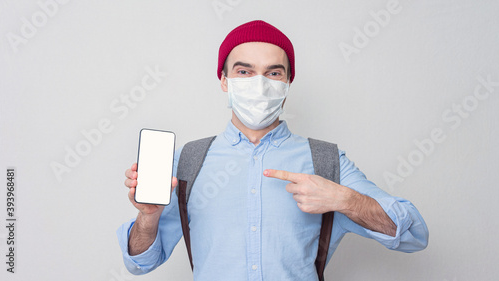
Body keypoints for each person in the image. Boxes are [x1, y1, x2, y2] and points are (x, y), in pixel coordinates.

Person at [117, 20, 429, 280]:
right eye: (244, 71)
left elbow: (414, 235)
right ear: (224, 80)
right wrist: (148, 218)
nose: (260, 83)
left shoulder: (326, 162)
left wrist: (345, 199)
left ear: (288, 82)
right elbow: (140, 263)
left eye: (274, 72)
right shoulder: (188, 162)